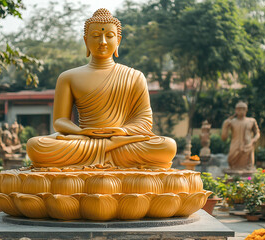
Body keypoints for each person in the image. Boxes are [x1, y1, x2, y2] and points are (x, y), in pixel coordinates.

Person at [26, 8, 176, 169]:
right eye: (96, 36)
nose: (102, 41)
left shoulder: (135, 76)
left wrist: (121, 132)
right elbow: (60, 121)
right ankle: (108, 151)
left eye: (109, 36)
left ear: (118, 40)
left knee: (167, 146)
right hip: (84, 140)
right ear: (86, 40)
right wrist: (81, 133)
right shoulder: (68, 77)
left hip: (120, 142)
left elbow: (144, 120)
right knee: (36, 145)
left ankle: (105, 150)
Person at [221, 101, 260, 170]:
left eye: (243, 109)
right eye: (239, 109)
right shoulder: (231, 122)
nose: (241, 111)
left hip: (247, 146)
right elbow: (224, 138)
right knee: (231, 161)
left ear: (246, 110)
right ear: (236, 110)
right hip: (235, 146)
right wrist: (225, 126)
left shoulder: (251, 121)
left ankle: (249, 179)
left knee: (248, 167)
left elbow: (257, 133)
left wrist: (253, 141)